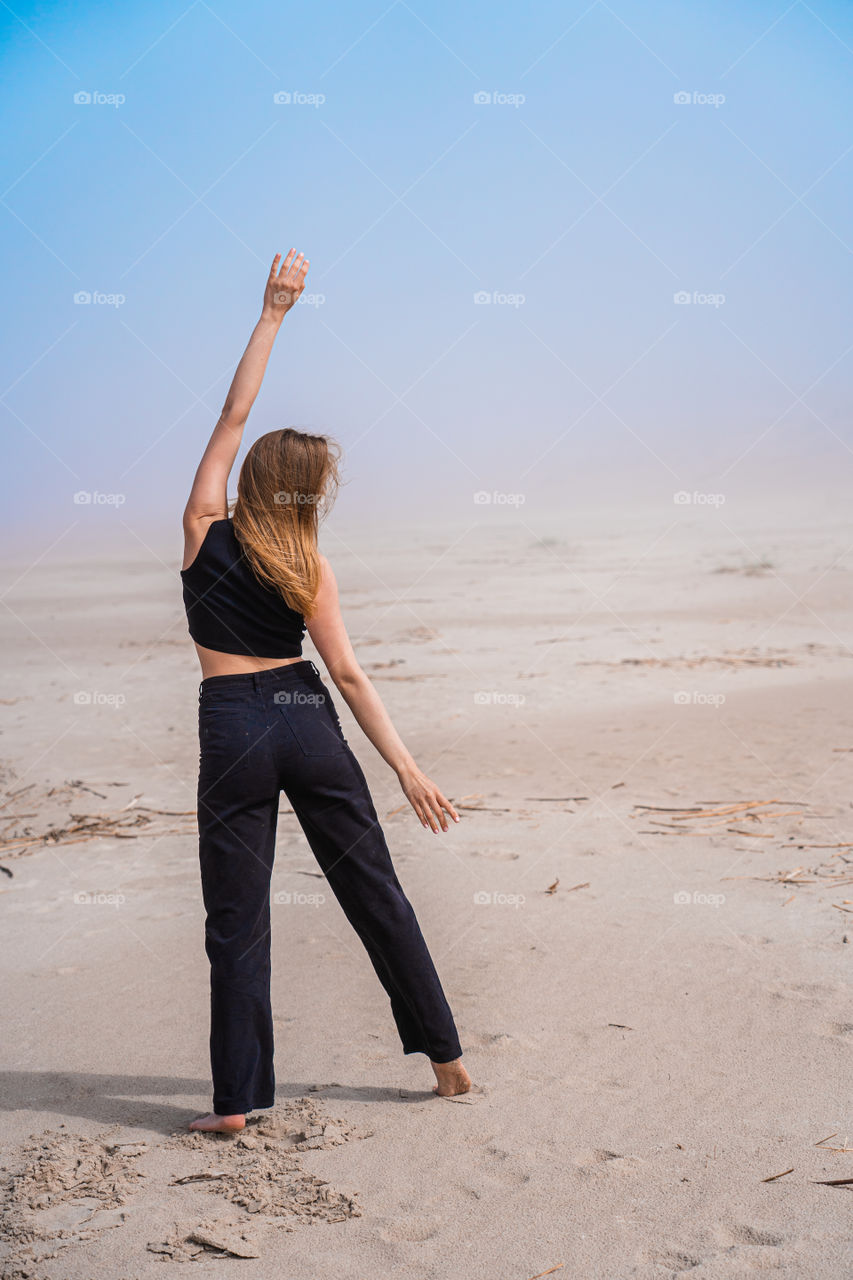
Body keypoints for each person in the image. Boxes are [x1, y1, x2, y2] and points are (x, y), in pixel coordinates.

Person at [181, 249, 471, 1132]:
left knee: (237, 920)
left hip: (233, 722)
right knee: (374, 891)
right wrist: (408, 769)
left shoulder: (203, 524)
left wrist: (273, 313)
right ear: (307, 496)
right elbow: (346, 674)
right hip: (308, 719)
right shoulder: (309, 563)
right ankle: (449, 1065)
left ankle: (237, 1105)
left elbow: (234, 413)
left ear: (252, 482)